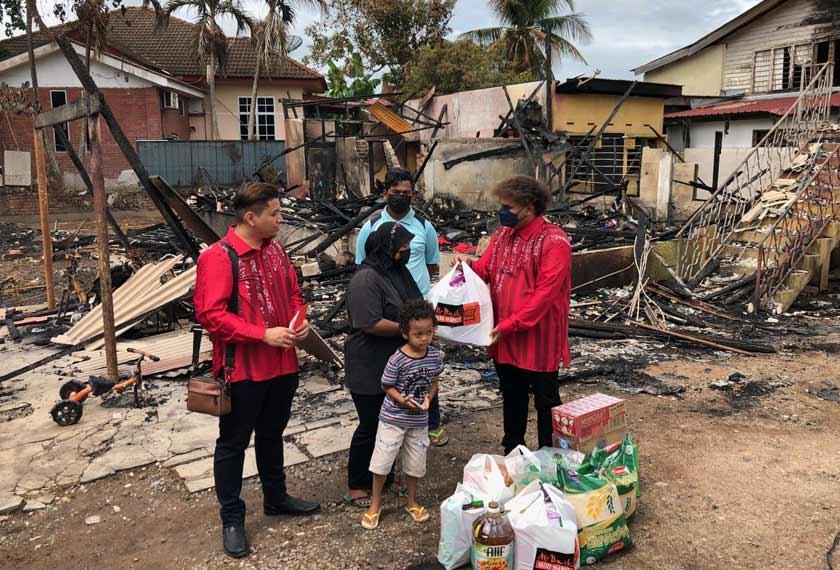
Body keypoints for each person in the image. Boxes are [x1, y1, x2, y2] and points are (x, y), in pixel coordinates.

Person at [194, 182, 319, 560]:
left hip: (284, 364)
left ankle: (276, 498)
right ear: (251, 217)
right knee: (232, 445)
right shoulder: (219, 257)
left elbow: (295, 294)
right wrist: (261, 334)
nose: (282, 219)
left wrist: (301, 321)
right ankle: (232, 518)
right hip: (243, 370)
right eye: (275, 214)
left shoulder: (277, 250)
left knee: (272, 434)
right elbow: (211, 316)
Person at [454, 176, 572, 454]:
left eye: (508, 206)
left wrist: (511, 324)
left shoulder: (554, 241)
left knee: (546, 401)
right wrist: (466, 265)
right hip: (504, 335)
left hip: (538, 336)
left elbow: (545, 295)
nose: (502, 212)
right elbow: (486, 269)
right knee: (512, 395)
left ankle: (549, 455)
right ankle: (513, 450)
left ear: (529, 207)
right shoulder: (503, 235)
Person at [356, 168, 449, 447]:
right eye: (395, 193)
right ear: (386, 193)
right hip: (387, 309)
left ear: (413, 195)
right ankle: (393, 417)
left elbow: (432, 264)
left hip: (418, 308)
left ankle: (431, 421)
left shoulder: (423, 224)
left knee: (426, 366)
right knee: (397, 366)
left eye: (406, 194)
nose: (400, 198)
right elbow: (364, 264)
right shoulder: (372, 224)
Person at [344, 222, 423, 508]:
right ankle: (358, 485)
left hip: (394, 362)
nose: (407, 251)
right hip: (368, 363)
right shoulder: (366, 279)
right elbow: (370, 322)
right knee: (370, 424)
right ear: (386, 249)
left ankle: (384, 475)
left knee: (392, 423)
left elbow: (416, 304)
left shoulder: (396, 273)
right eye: (402, 247)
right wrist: (410, 329)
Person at [362, 299, 444, 530]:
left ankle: (412, 501)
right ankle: (375, 504)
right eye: (418, 334)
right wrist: (402, 401)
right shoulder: (397, 359)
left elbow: (435, 382)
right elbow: (386, 385)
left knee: (416, 463)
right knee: (382, 461)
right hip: (393, 420)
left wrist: (429, 397)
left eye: (429, 332)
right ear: (405, 333)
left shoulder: (435, 356)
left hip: (419, 420)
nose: (424, 338)